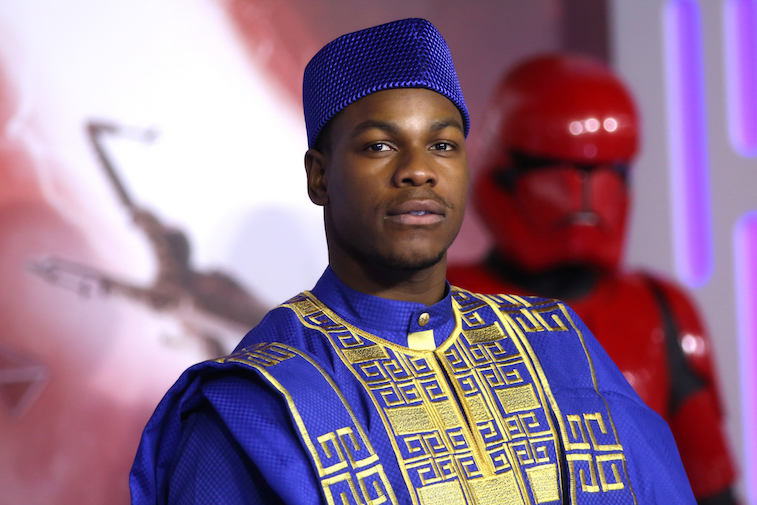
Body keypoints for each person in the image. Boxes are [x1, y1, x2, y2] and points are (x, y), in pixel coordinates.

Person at [130, 19, 695, 504]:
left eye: (443, 145)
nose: (419, 170)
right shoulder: (257, 403)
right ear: (319, 176)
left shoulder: (559, 348)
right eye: (380, 145)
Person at [447, 54, 737, 504]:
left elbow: (712, 487)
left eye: (608, 171)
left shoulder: (661, 312)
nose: (583, 194)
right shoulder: (437, 302)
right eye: (553, 166)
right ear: (503, 169)